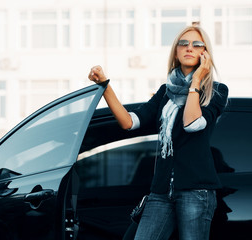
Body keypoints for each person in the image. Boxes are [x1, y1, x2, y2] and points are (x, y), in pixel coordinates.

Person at [88, 25, 228, 240]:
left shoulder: (216, 91)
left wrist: (198, 79)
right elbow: (130, 122)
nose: (189, 48)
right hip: (161, 192)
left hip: (196, 191)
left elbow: (191, 123)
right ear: (175, 51)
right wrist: (106, 87)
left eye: (197, 44)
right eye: (183, 43)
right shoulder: (165, 92)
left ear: (205, 53)